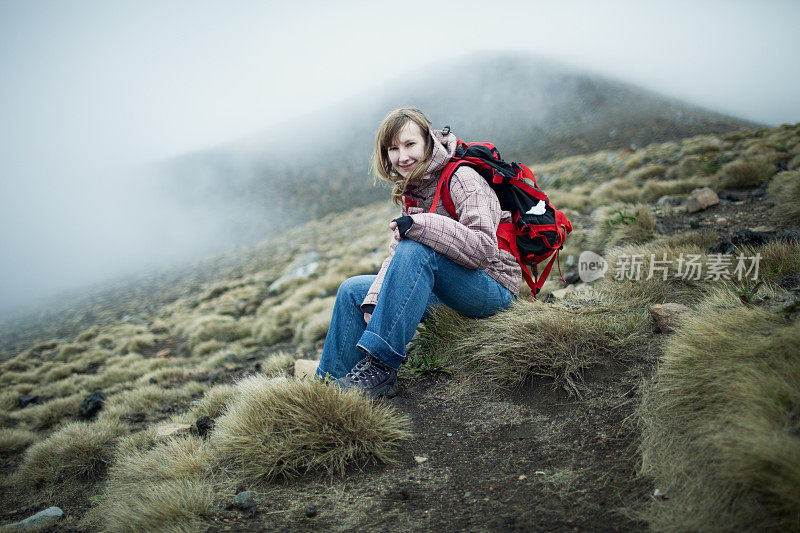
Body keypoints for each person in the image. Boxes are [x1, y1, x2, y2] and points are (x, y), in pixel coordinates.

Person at [315, 107, 522, 397]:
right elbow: (398, 253)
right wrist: (374, 299)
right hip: (448, 289)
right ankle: (325, 391)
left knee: (418, 245)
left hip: (493, 289)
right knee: (353, 291)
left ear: (428, 141)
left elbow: (483, 250)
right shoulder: (415, 188)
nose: (402, 157)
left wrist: (422, 225)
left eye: (410, 144)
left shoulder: (463, 178)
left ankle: (380, 368)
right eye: (393, 149)